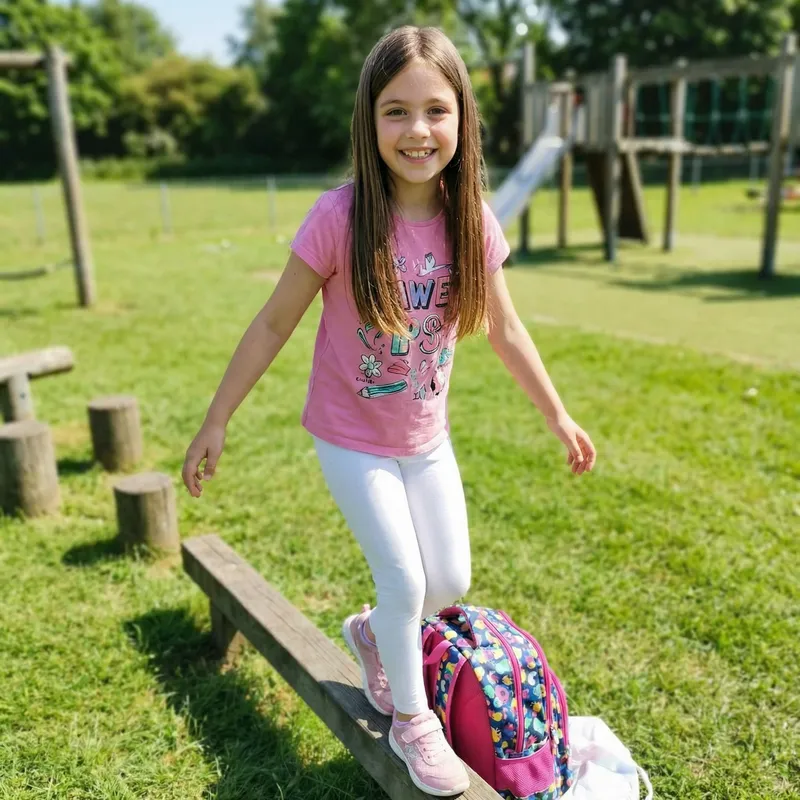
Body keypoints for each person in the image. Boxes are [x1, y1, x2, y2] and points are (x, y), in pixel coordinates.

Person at [182, 25, 596, 797]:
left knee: (449, 581)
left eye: (436, 110)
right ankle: (412, 720)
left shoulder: (471, 219)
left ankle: (373, 635)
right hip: (351, 438)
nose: (417, 130)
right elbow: (274, 323)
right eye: (395, 111)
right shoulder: (339, 218)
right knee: (405, 580)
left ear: (462, 120)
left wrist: (558, 415)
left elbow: (505, 329)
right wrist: (217, 418)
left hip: (426, 439)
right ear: (369, 122)